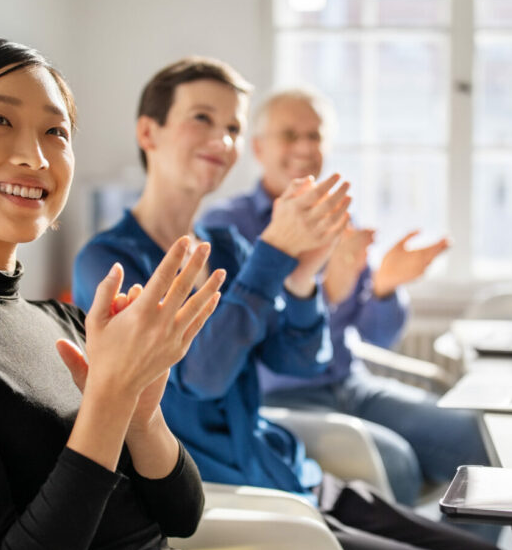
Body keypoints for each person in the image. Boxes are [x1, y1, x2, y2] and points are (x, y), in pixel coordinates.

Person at [0, 37, 490, 550]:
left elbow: (182, 513)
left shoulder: (60, 318)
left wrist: (143, 412)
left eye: (57, 131)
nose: (36, 154)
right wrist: (108, 400)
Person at [73, 58, 512, 550]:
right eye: (202, 119)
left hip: (296, 476)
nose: (222, 140)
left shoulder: (230, 249)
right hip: (244, 505)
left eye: (232, 127)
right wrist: (273, 259)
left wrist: (306, 273)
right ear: (148, 132)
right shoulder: (112, 259)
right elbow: (197, 380)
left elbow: (299, 357)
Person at [201, 89, 492, 505]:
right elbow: (238, 341)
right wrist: (328, 294)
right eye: (290, 135)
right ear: (259, 148)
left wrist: (386, 287)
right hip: (279, 397)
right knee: (397, 464)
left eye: (315, 136)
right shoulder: (225, 226)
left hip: (351, 385)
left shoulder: (339, 218)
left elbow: (378, 336)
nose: (305, 147)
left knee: (478, 440)